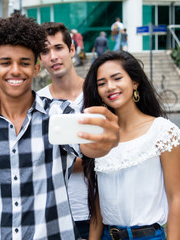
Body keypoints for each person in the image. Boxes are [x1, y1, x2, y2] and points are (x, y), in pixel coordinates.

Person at [0, 13, 120, 240]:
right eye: (5, 63)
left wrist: (105, 138)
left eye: (24, 63)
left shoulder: (59, 113)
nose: (15, 70)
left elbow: (87, 146)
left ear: (35, 69)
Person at [82, 51, 180, 239]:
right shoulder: (99, 136)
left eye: (117, 78)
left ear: (135, 82)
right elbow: (98, 202)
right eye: (101, 83)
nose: (110, 87)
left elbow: (176, 198)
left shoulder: (163, 131)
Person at [38, 22, 90, 239]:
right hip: (53, 215)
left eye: (58, 48)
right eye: (45, 51)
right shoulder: (38, 103)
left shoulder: (98, 93)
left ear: (71, 49)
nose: (53, 56)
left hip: (98, 212)